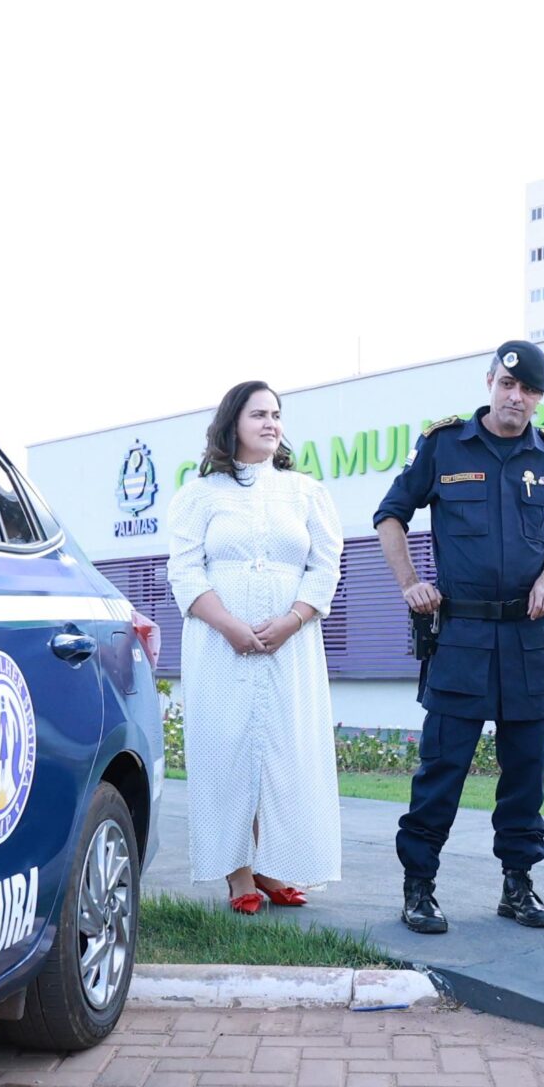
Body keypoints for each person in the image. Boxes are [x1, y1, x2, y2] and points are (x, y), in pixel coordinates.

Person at [375, 340, 544, 933]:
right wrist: (410, 582)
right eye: (508, 386)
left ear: (540, 398)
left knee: (525, 774)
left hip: (528, 639)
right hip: (461, 636)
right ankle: (419, 887)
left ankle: (518, 886)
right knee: (442, 770)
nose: (517, 398)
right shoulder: (444, 445)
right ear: (490, 382)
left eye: (529, 391)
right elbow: (391, 516)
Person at [163, 381, 345, 912]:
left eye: (276, 414)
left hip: (292, 647)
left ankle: (274, 867)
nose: (271, 423)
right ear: (232, 424)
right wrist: (229, 625)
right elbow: (185, 570)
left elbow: (325, 566)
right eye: (258, 414)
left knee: (287, 754)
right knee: (228, 752)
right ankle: (239, 875)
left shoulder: (307, 493)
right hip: (220, 647)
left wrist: (292, 620)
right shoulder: (199, 495)